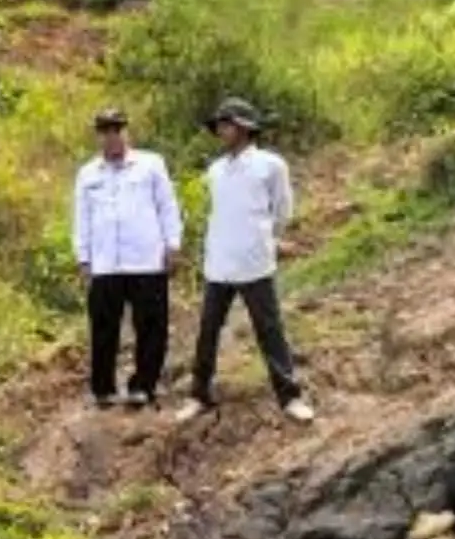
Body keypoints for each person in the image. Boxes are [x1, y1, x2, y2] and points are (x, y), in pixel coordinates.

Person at [175, 98, 315, 426]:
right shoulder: (215, 170)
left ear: (244, 128)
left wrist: (264, 237)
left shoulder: (271, 165)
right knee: (208, 331)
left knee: (269, 330)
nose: (221, 131)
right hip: (219, 262)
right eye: (219, 125)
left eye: (227, 124)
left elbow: (282, 210)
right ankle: (198, 395)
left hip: (255, 261)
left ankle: (290, 397)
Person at [72, 106, 182, 409]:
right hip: (105, 263)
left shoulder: (150, 165)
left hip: (146, 259)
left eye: (117, 130)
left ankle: (143, 385)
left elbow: (167, 206)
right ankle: (103, 389)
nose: (112, 137)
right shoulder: (88, 174)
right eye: (105, 131)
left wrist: (172, 245)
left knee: (151, 326)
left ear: (126, 131)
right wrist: (83, 258)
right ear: (98, 136)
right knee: (103, 328)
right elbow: (81, 218)